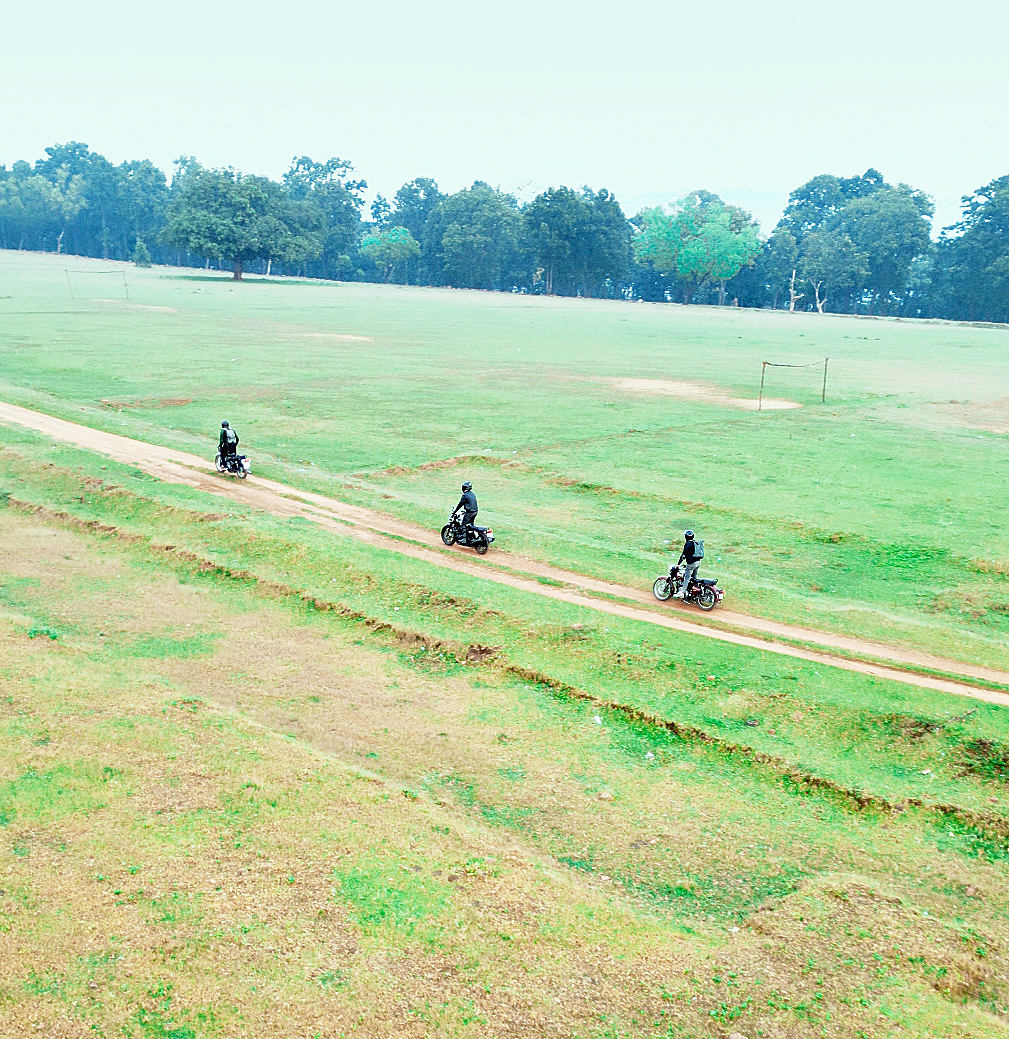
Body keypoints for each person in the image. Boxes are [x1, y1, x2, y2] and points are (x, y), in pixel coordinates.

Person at [675, 529, 701, 599]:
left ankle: (682, 592)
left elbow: (683, 555)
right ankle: (694, 592)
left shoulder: (687, 544)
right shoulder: (695, 543)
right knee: (694, 578)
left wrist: (678, 564)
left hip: (691, 564)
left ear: (686, 537)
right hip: (698, 563)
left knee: (687, 578)